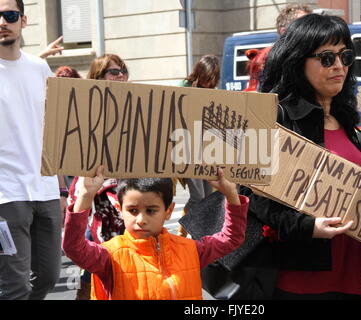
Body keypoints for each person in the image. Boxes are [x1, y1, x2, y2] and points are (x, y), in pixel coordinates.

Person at [239, 13, 361, 300]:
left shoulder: (345, 118)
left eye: (346, 56)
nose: (339, 66)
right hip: (303, 279)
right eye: (327, 58)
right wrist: (308, 227)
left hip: (358, 276)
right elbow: (251, 195)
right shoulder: (277, 117)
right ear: (297, 62)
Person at [62, 166, 249, 300]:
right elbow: (74, 248)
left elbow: (231, 238)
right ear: (120, 209)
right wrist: (86, 196)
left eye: (151, 210)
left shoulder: (190, 250)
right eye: (133, 210)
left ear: (168, 211)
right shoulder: (110, 256)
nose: (141, 219)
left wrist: (231, 195)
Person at [0, 0, 65, 300]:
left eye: (9, 15)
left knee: (49, 276)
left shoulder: (39, 67)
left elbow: (54, 130)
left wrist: (62, 189)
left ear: (23, 21)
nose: (2, 22)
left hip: (46, 190)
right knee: (14, 286)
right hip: (6, 197)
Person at [66, 53, 129, 300]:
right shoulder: (87, 114)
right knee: (97, 260)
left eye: (123, 70)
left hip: (130, 199)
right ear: (98, 77)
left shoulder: (136, 109)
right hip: (101, 200)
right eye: (114, 72)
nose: (121, 75)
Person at [177, 54, 221, 237]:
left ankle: (197, 234)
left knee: (208, 197)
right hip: (186, 149)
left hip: (206, 150)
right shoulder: (184, 87)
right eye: (207, 77)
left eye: (213, 78)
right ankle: (183, 232)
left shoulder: (213, 91)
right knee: (198, 197)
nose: (210, 82)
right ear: (199, 72)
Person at [244, 3, 312, 92]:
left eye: (311, 24)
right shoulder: (267, 60)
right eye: (303, 25)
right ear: (284, 31)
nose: (311, 30)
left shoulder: (315, 55)